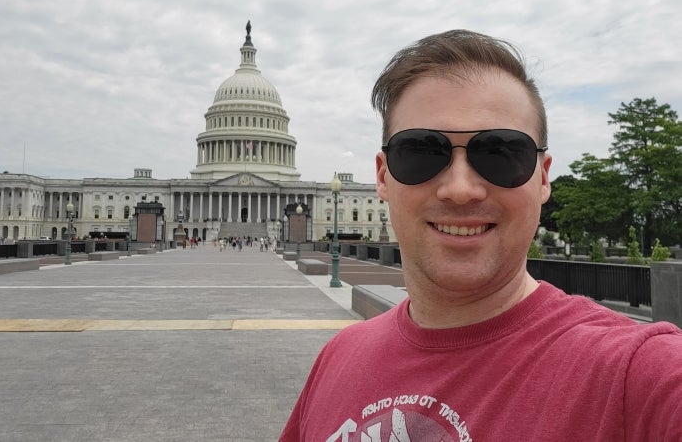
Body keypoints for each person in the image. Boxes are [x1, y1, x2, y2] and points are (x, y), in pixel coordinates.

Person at [280, 30, 682, 441]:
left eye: (501, 153)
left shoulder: (639, 375)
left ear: (543, 179)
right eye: (421, 153)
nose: (460, 189)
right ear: (383, 176)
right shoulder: (338, 358)